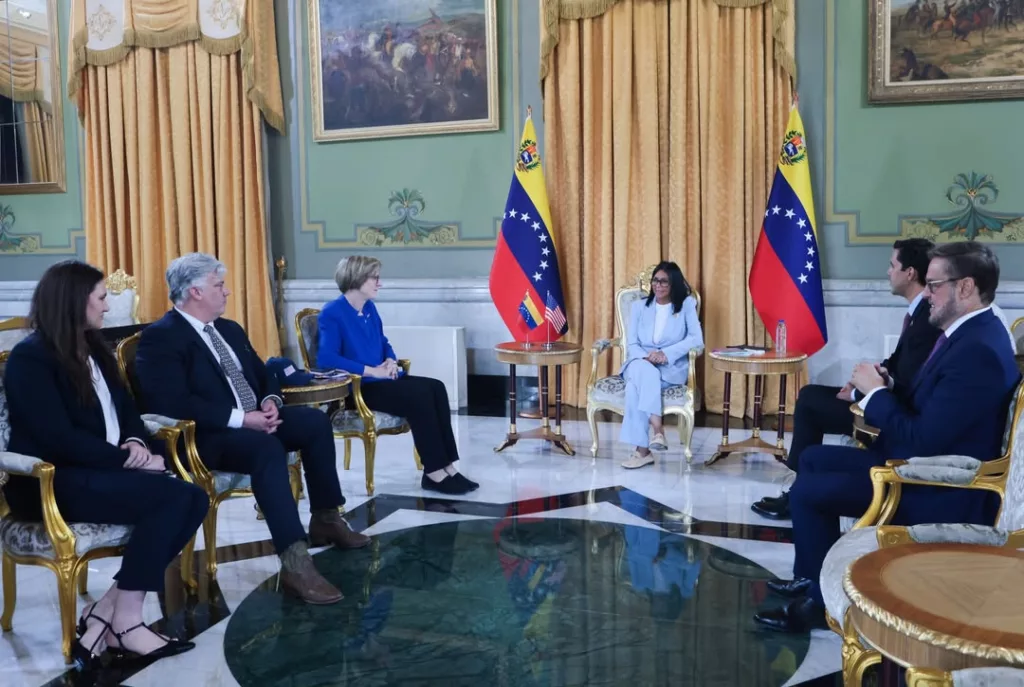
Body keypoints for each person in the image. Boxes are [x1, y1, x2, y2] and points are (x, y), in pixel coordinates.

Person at [754, 241, 1021, 633]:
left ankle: (820, 604)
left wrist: (877, 394)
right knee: (811, 460)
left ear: (965, 288)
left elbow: (922, 439)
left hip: (941, 488)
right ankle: (812, 578)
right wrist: (887, 383)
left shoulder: (977, 349)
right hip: (922, 464)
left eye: (934, 286)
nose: (926, 295)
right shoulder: (971, 334)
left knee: (808, 492)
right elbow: (932, 402)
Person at [2, 261, 208, 668]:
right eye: (101, 297)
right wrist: (127, 459)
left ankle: (107, 615)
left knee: (192, 498)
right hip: (53, 482)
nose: (107, 305)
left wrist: (135, 441)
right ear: (74, 302)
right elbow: (54, 437)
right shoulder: (31, 358)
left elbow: (127, 409)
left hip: (102, 470)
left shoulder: (95, 346)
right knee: (172, 499)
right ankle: (128, 623)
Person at [134, 253, 369, 606]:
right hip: (205, 437)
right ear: (195, 292)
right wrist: (241, 419)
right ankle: (294, 561)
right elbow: (172, 403)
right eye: (219, 285)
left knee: (314, 422)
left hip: (253, 418)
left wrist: (271, 401)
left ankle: (326, 516)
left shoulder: (229, 329)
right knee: (266, 450)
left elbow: (265, 374)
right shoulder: (160, 338)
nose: (226, 292)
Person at [752, 239, 942, 519]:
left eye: (892, 266)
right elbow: (901, 364)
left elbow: (910, 380)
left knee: (811, 402)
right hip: (885, 399)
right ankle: (798, 489)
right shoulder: (920, 313)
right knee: (810, 395)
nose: (888, 272)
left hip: (893, 413)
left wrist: (860, 393)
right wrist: (865, 378)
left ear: (910, 273)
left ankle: (797, 495)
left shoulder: (927, 317)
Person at [316, 256, 478, 495]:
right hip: (359, 387)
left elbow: (383, 341)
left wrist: (391, 360)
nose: (379, 283)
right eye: (375, 278)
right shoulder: (332, 312)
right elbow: (327, 358)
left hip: (382, 380)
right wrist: (373, 371)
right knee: (420, 395)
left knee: (436, 387)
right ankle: (433, 473)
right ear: (357, 278)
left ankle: (448, 466)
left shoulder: (369, 308)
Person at [619, 261, 703, 469]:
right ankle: (658, 430)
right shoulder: (639, 307)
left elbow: (696, 340)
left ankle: (643, 451)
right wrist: (648, 357)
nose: (658, 285)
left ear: (673, 284)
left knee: (632, 388)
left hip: (669, 368)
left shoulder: (686, 306)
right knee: (643, 370)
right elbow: (632, 344)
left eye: (664, 281)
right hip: (640, 362)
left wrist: (665, 354)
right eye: (655, 280)